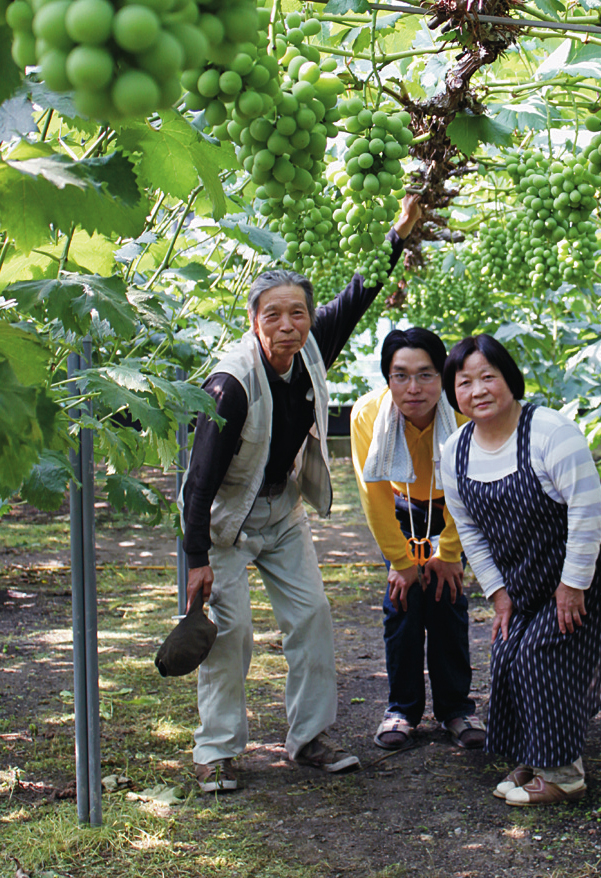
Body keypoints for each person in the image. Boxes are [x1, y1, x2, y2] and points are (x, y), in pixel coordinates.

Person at [179, 196, 423, 793]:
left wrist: (397, 233)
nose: (287, 325)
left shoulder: (311, 347)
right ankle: (216, 752)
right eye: (273, 316)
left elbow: (359, 295)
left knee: (312, 616)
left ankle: (309, 738)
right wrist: (195, 561)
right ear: (253, 320)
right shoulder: (229, 385)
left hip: (281, 510)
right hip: (224, 520)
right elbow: (199, 480)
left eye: (298, 314)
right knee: (230, 635)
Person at [439, 334, 601, 806]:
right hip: (527, 565)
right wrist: (498, 593)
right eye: (465, 382)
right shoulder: (455, 451)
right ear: (455, 394)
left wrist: (573, 585)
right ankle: (535, 754)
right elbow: (468, 529)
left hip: (591, 557)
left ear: (510, 379)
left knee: (544, 651)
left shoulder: (549, 431)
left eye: (489, 376)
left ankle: (564, 773)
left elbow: (589, 512)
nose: (478, 390)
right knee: (509, 651)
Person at [350, 328, 485, 750]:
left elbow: (472, 490)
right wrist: (402, 563)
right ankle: (402, 710)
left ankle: (456, 709)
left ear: (442, 377)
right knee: (402, 604)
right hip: (400, 506)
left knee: (448, 600)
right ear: (387, 379)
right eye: (401, 375)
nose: (414, 388)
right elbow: (373, 496)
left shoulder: (464, 413)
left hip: (455, 507)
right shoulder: (368, 414)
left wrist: (449, 554)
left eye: (426, 375)